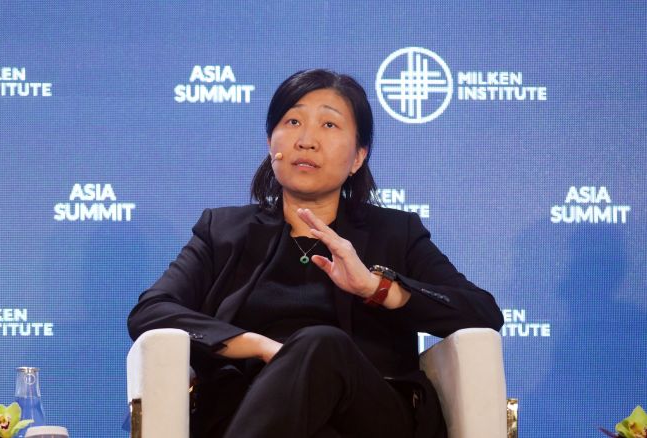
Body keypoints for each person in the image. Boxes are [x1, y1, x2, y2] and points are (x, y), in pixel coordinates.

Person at [128, 69, 504, 438]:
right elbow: (151, 311)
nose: (306, 140)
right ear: (270, 143)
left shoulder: (395, 233)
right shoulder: (223, 231)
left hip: (369, 415)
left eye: (328, 125)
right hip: (245, 405)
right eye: (292, 121)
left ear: (358, 157)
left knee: (322, 344)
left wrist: (377, 287)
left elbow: (481, 312)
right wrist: (260, 347)